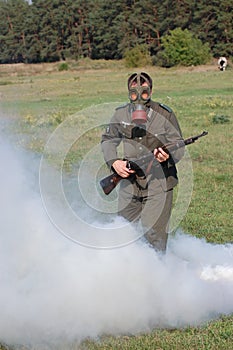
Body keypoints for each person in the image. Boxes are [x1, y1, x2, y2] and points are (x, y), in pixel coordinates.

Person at [101, 72, 184, 252]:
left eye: (144, 92)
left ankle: (157, 274)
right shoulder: (120, 114)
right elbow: (108, 139)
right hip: (129, 184)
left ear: (151, 91)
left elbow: (179, 146)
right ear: (128, 93)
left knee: (154, 233)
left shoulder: (165, 114)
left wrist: (167, 156)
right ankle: (126, 274)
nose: (139, 97)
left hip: (158, 182)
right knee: (123, 231)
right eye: (134, 93)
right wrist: (114, 162)